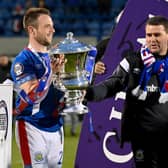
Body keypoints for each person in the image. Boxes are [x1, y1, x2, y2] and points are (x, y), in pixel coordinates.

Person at [85, 15, 168, 168]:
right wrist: (88, 92)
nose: (152, 39)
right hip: (142, 138)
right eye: (149, 35)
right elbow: (112, 84)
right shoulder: (132, 61)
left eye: (157, 35)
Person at [10, 8, 66, 168]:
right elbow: (32, 94)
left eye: (52, 26)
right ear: (31, 30)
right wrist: (51, 73)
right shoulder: (23, 61)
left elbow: (59, 94)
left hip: (56, 127)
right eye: (47, 26)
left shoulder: (55, 58)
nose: (53, 30)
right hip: (32, 126)